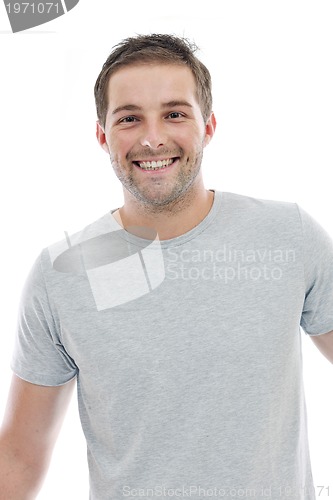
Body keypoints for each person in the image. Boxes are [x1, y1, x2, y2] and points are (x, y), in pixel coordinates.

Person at [0, 33, 332, 500]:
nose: (153, 138)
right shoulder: (61, 275)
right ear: (102, 135)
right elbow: (20, 453)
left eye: (174, 114)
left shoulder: (288, 236)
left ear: (208, 126)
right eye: (129, 118)